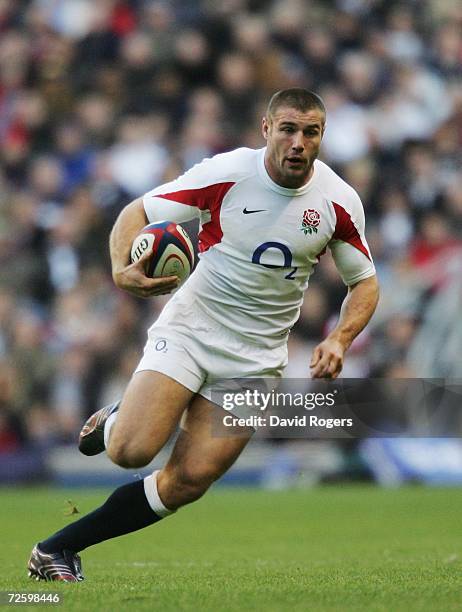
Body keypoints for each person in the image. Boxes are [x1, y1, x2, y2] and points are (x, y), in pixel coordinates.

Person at [28, 88, 379, 581]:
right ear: (266, 129)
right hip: (194, 328)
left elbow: (363, 281)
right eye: (288, 129)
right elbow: (139, 212)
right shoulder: (227, 173)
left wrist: (340, 338)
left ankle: (56, 550)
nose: (299, 142)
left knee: (188, 482)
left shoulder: (338, 202)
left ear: (322, 135)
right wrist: (119, 268)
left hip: (256, 360)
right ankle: (115, 423)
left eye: (311, 131)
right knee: (131, 451)